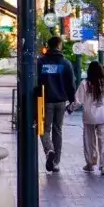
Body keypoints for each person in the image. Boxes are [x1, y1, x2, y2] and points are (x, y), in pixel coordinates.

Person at [36, 36, 76, 172]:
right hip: (60, 102)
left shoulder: (40, 62)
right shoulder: (65, 63)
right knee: (58, 130)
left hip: (45, 101)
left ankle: (49, 150)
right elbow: (71, 84)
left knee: (43, 129)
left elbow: (35, 82)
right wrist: (72, 100)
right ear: (59, 46)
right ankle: (56, 162)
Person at [74, 60, 104, 175]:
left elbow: (78, 100)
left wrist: (70, 109)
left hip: (89, 116)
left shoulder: (85, 83)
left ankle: (91, 163)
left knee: (89, 141)